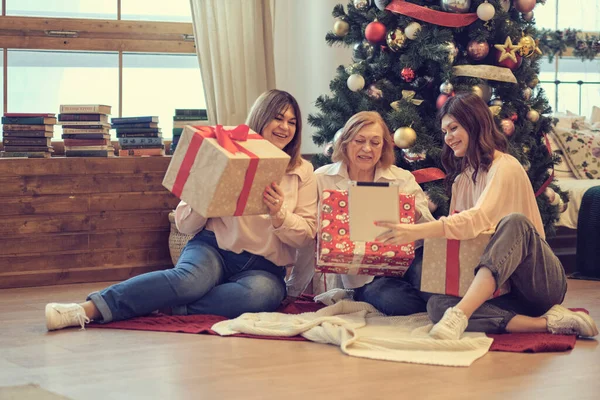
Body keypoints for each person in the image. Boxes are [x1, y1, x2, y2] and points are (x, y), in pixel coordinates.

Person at [45, 89, 318, 330]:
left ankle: (169, 305)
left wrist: (279, 213)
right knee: (189, 281)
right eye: (278, 118)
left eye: (292, 122)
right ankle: (88, 308)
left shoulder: (302, 172)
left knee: (264, 296)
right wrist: (210, 195)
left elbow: (305, 236)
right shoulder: (228, 153)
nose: (285, 127)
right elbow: (185, 224)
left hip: (263, 267)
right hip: (214, 248)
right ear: (261, 118)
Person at [374, 92, 598, 339]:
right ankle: (548, 324)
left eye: (454, 128)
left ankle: (460, 315)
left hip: (537, 282)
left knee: (514, 223)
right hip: (502, 291)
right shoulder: (461, 181)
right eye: (445, 131)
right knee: (437, 305)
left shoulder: (506, 166)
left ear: (474, 123)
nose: (448, 138)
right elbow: (464, 238)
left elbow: (476, 219)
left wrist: (416, 231)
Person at [287, 111, 435, 315]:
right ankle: (434, 308)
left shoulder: (401, 178)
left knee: (429, 281)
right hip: (367, 276)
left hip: (408, 260)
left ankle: (446, 306)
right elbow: (307, 236)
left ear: (383, 147)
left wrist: (413, 213)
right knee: (393, 300)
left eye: (375, 142)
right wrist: (294, 288)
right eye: (360, 140)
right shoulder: (322, 179)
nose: (367, 149)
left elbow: (430, 229)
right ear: (346, 142)